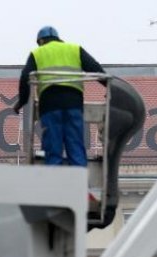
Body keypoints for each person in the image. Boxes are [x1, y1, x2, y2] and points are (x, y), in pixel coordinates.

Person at [14, 25, 105, 166]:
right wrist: (110, 87)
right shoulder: (74, 49)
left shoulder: (38, 53)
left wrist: (21, 102)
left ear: (41, 41)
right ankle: (79, 184)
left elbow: (25, 77)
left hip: (50, 105)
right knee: (75, 146)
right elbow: (96, 70)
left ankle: (54, 184)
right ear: (58, 39)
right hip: (74, 104)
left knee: (53, 148)